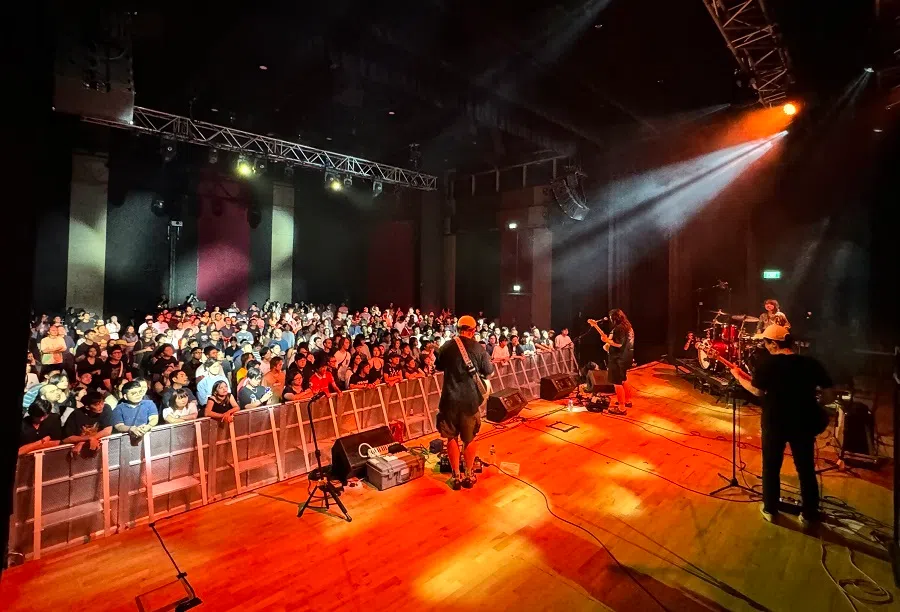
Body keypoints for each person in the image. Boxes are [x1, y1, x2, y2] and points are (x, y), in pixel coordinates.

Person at [730, 325, 832, 525]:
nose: (764, 346)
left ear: (774, 343)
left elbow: (758, 391)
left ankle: (770, 509)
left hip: (775, 422)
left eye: (766, 342)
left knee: (771, 466)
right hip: (803, 422)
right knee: (806, 469)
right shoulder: (810, 363)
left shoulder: (768, 365)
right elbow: (829, 394)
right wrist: (814, 403)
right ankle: (810, 515)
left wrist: (737, 376)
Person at [435, 314, 494, 490]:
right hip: (470, 402)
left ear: (458, 329)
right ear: (473, 330)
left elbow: (438, 365)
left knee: (451, 438)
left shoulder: (446, 346)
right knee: (469, 439)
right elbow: (488, 370)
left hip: (449, 400)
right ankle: (468, 475)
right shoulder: (478, 348)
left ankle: (456, 477)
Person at [590, 310, 634, 414]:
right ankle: (627, 401)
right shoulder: (628, 327)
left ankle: (621, 408)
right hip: (626, 357)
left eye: (611, 318)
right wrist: (597, 328)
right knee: (623, 379)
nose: (610, 319)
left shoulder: (619, 328)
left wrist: (607, 341)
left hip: (617, 359)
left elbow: (618, 344)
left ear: (615, 318)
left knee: (617, 383)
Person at [63, 391, 113, 456]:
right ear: (87, 407)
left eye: (102, 403)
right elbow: (66, 439)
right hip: (78, 452)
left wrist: (84, 441)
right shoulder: (76, 414)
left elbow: (107, 430)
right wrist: (89, 438)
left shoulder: (106, 408)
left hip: (100, 449)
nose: (101, 406)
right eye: (96, 405)